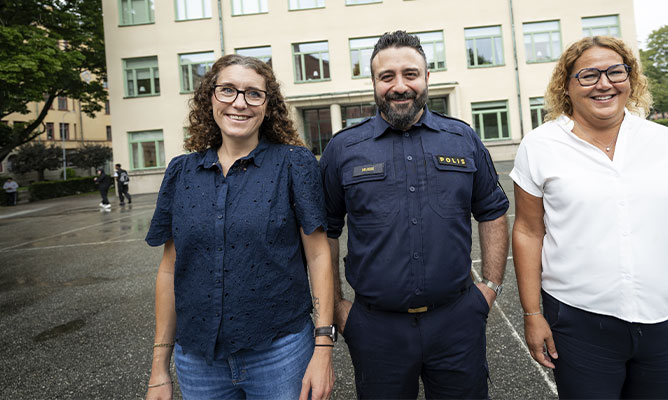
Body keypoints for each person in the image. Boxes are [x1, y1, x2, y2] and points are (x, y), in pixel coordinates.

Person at [510, 36, 668, 399]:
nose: (604, 83)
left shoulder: (666, 143)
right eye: (588, 75)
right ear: (566, 86)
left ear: (631, 79)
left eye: (615, 71)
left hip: (663, 324)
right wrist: (532, 314)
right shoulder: (540, 146)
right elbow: (527, 231)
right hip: (578, 324)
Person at [320, 31, 509, 399]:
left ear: (427, 78)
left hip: (457, 321)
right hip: (375, 329)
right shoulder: (343, 148)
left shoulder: (462, 139)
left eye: (410, 74)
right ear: (373, 83)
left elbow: (492, 212)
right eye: (386, 77)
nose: (399, 86)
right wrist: (340, 310)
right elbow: (323, 231)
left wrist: (490, 287)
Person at [144, 54, 335, 400]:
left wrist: (323, 347)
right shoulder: (180, 173)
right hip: (198, 363)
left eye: (253, 94)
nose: (239, 103)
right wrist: (160, 367)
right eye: (228, 90)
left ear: (267, 105)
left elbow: (320, 256)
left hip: (281, 354)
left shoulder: (294, 164)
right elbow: (170, 271)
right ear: (210, 98)